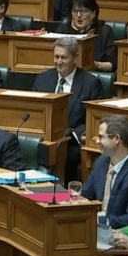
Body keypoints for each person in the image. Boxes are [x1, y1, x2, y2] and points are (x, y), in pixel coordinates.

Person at [32, 37, 104, 182]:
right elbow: (34, 111)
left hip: (71, 142)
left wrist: (73, 134)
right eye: (56, 57)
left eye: (63, 58)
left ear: (75, 58)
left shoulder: (90, 83)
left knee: (65, 154)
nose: (59, 62)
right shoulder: (42, 79)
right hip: (43, 139)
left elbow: (94, 119)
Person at [81, 115, 128, 229]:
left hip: (118, 234)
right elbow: (85, 195)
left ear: (116, 139)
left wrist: (99, 219)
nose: (97, 141)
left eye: (101, 137)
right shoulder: (101, 162)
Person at [55, 0, 115, 72]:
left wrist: (95, 65)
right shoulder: (63, 29)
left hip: (92, 74)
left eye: (83, 11)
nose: (78, 15)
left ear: (93, 13)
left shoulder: (105, 31)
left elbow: (112, 65)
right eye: (75, 11)